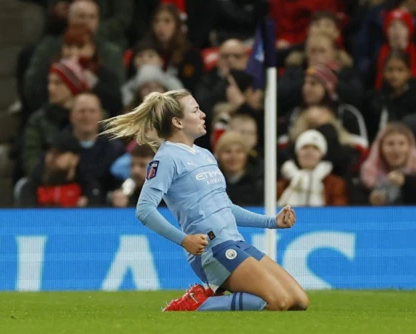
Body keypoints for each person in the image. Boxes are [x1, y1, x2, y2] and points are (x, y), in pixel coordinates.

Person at [101, 89, 308, 312]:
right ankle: (197, 304)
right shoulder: (166, 159)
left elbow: (225, 207)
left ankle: (212, 300)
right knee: (276, 302)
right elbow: (144, 210)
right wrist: (184, 240)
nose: (203, 115)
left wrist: (272, 222)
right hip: (213, 249)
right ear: (178, 122)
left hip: (235, 242)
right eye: (196, 110)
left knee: (299, 301)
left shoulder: (205, 155)